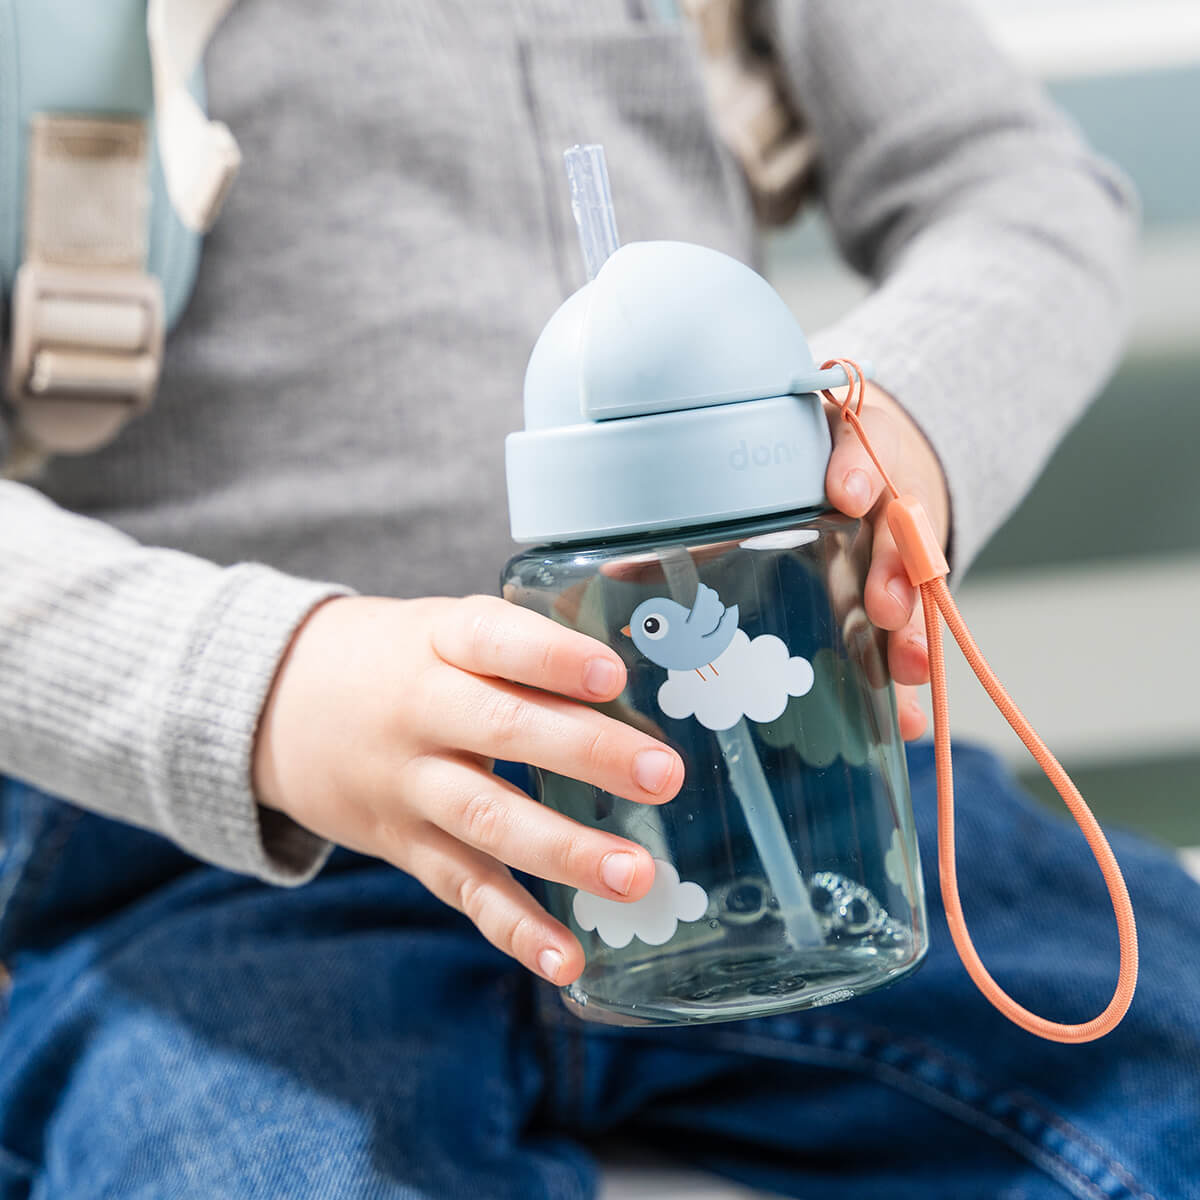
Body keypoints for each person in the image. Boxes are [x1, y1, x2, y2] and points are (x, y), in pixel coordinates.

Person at [1, 2, 1197, 1197]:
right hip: (214, 870)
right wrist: (262, 687)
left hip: (773, 788)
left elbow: (1018, 188)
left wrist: (900, 422)